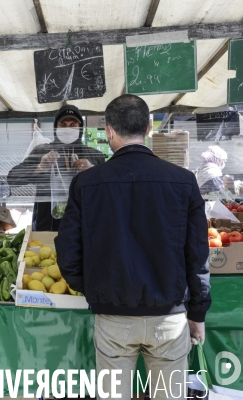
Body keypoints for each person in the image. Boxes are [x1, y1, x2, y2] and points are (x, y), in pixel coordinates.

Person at [55, 95, 211, 399]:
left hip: (114, 319)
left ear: (109, 131)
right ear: (149, 127)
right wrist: (198, 313)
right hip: (170, 319)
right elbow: (197, 254)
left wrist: (94, 288)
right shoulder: (182, 181)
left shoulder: (86, 183)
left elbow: (68, 251)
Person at [7, 105, 106, 231]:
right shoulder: (42, 152)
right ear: (56, 127)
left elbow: (108, 188)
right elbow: (12, 178)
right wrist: (40, 167)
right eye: (63, 125)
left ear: (80, 128)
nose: (68, 129)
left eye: (73, 125)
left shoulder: (93, 156)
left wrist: (93, 169)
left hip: (85, 226)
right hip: (48, 225)